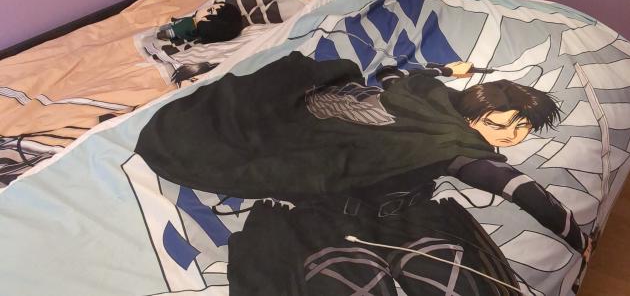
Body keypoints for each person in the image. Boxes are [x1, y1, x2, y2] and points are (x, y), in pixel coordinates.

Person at [135, 52, 590, 295]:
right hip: (325, 222)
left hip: (400, 218)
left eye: (522, 129)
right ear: (474, 114)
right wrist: (578, 238)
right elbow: (519, 189)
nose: (510, 137)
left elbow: (394, 75)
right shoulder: (454, 145)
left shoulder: (421, 97)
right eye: (499, 125)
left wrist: (443, 69)